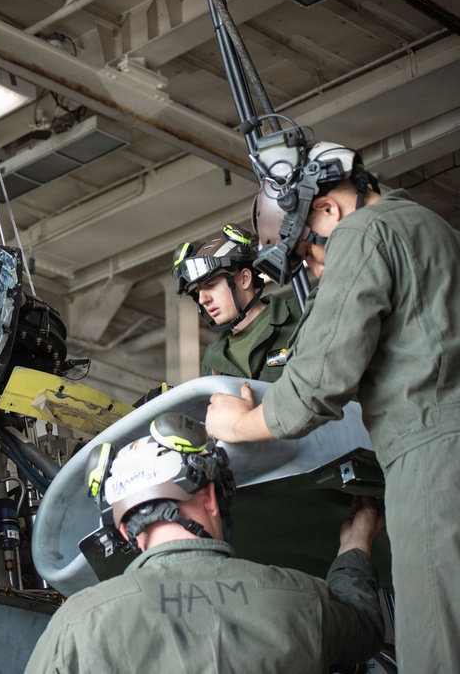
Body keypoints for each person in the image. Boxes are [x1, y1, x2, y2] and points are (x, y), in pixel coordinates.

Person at [205, 138, 460, 672]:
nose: (316, 271)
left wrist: (243, 422)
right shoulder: (435, 230)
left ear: (327, 209)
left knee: (438, 644)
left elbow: (318, 385)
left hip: (435, 460)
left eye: (308, 253)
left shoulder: (364, 233)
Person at [24, 414, 386, 674]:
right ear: (211, 498)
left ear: (123, 530)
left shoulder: (76, 625)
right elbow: (365, 628)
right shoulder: (302, 598)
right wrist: (357, 541)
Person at [172, 223, 300, 381]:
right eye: (197, 292)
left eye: (211, 285)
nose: (203, 299)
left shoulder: (300, 315)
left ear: (245, 279)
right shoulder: (213, 360)